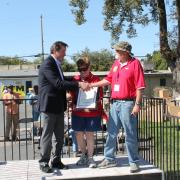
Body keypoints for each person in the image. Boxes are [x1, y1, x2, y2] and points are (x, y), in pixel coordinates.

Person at [89, 41, 146, 173]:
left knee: (130, 134)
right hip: (115, 104)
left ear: (125, 52)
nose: (115, 53)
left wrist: (137, 104)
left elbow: (140, 87)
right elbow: (108, 80)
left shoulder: (135, 63)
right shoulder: (116, 64)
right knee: (111, 133)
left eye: (117, 51)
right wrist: (92, 85)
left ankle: (134, 162)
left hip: (128, 104)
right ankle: (109, 158)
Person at [37, 41, 89, 173]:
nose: (65, 54)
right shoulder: (48, 63)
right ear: (55, 51)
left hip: (59, 106)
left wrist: (77, 78)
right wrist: (78, 84)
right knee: (47, 136)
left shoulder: (56, 64)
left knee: (59, 136)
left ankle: (56, 160)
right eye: (63, 51)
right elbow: (58, 83)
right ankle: (44, 162)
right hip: (49, 106)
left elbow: (62, 78)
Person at [70, 57, 103, 168]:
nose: (82, 72)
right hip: (78, 112)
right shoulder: (75, 79)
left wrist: (94, 102)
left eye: (84, 69)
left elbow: (100, 97)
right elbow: (72, 95)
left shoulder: (96, 79)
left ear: (89, 68)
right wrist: (72, 102)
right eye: (80, 69)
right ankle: (83, 155)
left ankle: (90, 158)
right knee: (78, 134)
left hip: (92, 113)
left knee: (89, 134)